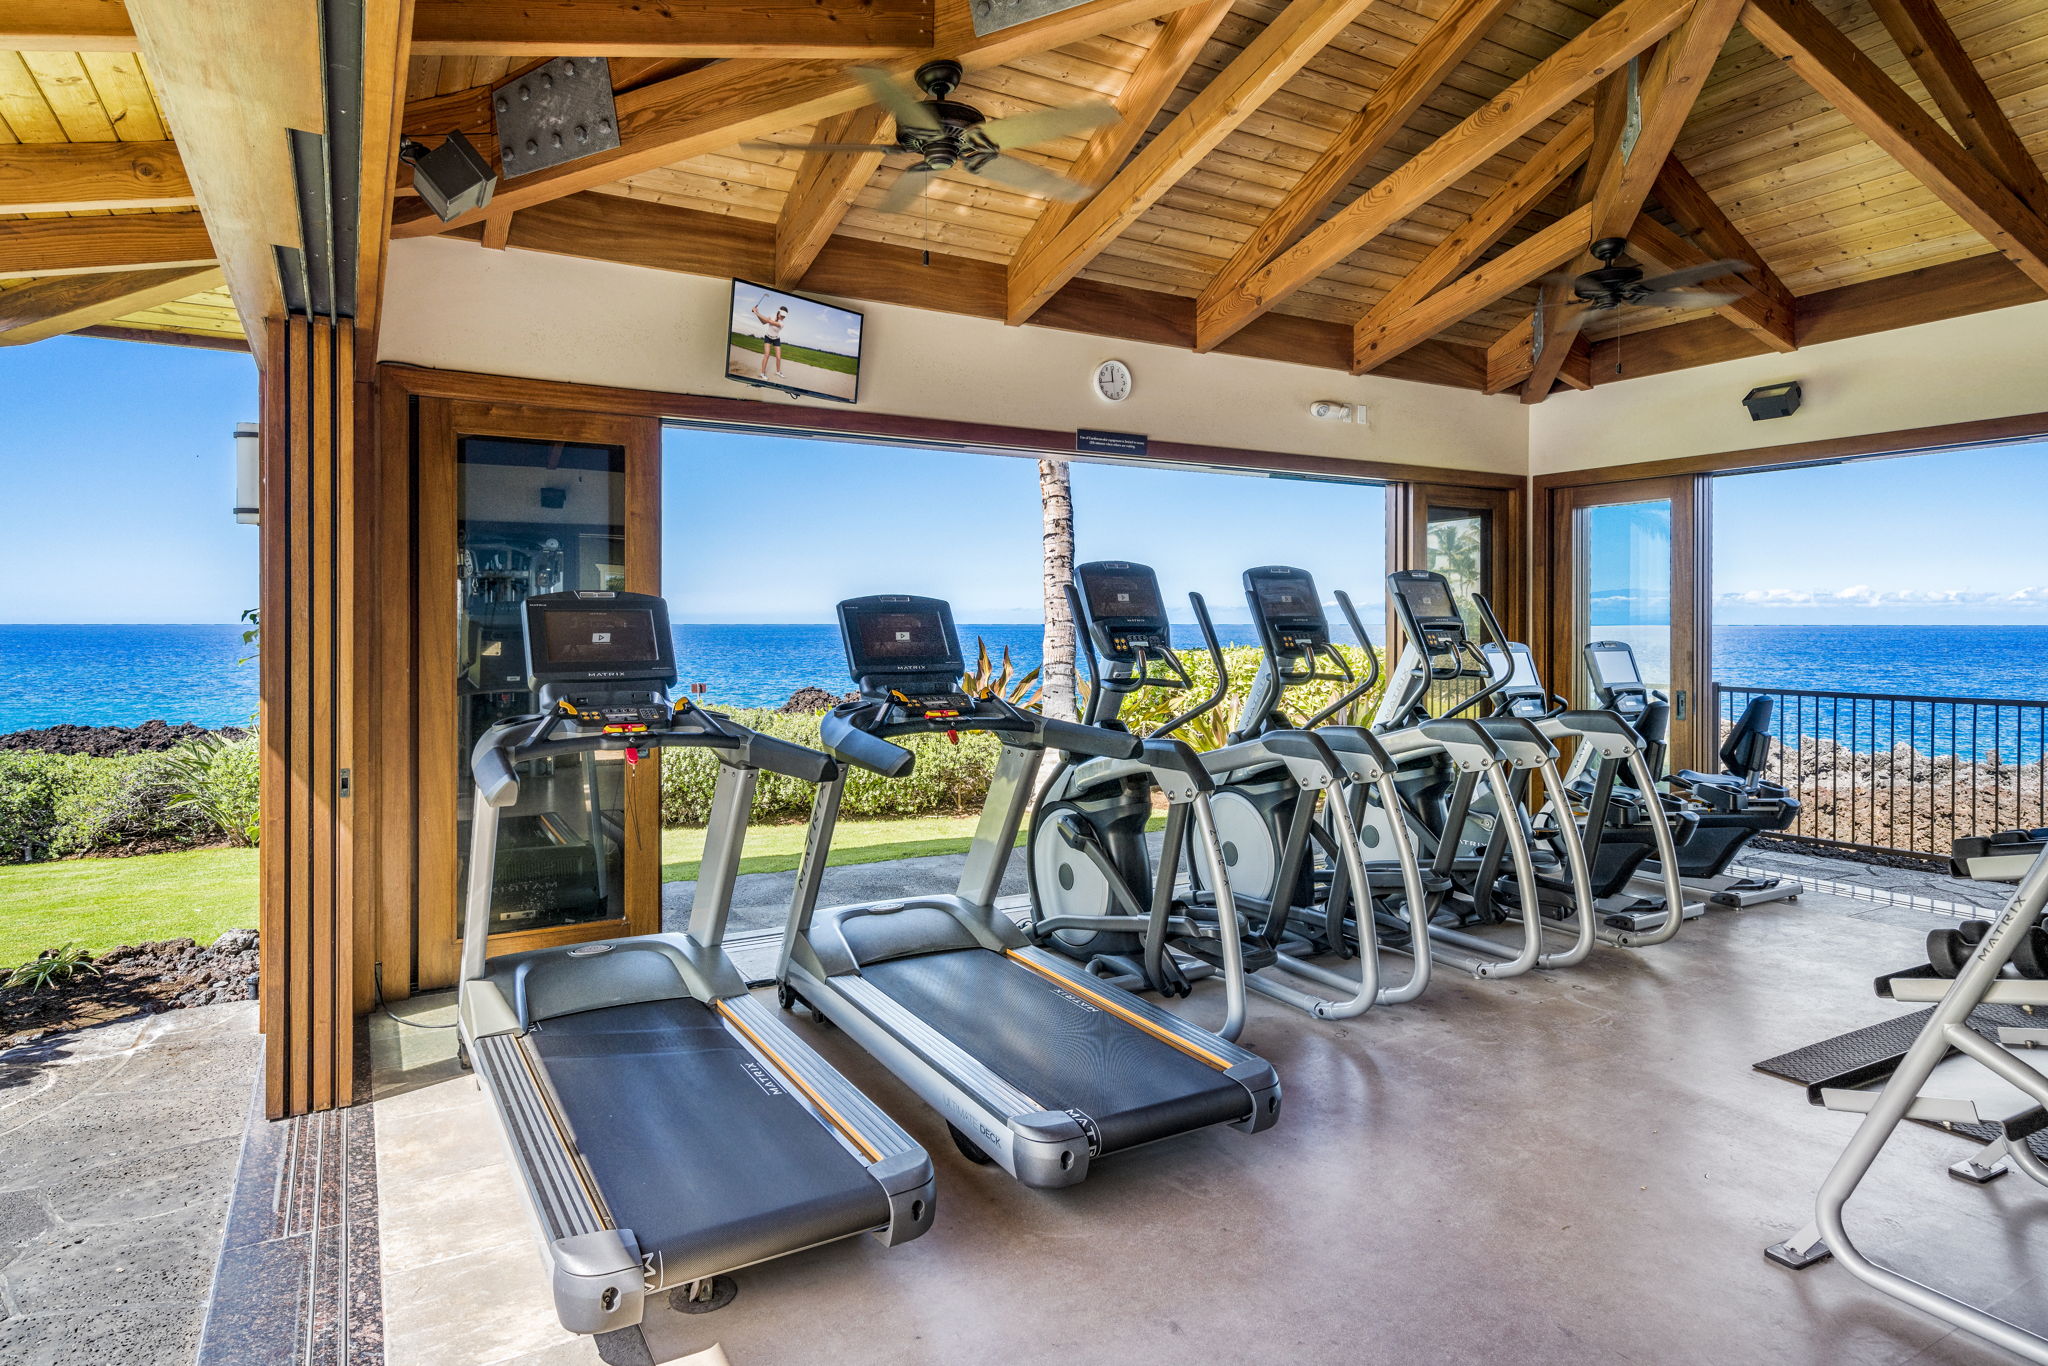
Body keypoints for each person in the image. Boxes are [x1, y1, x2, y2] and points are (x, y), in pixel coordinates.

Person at [751, 300, 789, 378]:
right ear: (778, 312)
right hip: (768, 337)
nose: (783, 317)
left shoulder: (782, 323)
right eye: (782, 315)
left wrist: (756, 312)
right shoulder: (772, 315)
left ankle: (778, 372)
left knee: (778, 357)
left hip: (776, 339)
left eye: (784, 316)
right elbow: (763, 322)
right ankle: (762, 373)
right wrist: (757, 313)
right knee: (767, 355)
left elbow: (769, 321)